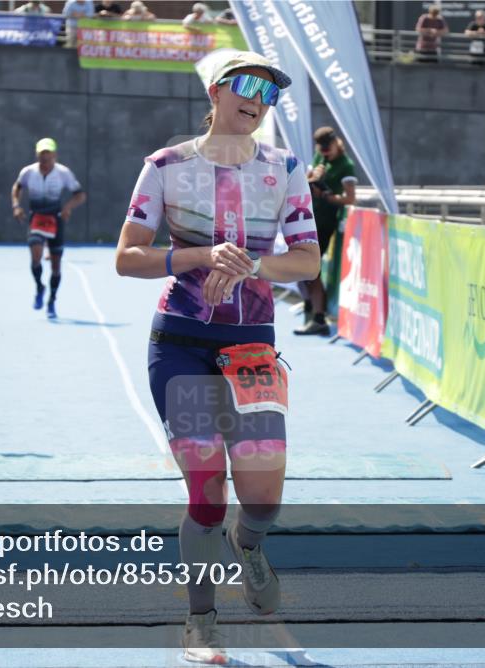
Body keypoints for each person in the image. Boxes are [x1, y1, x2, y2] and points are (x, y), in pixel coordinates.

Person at [115, 51, 319, 664]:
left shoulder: (285, 167)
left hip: (252, 345)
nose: (258, 98)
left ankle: (249, 546)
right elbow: (128, 258)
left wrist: (254, 263)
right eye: (247, 84)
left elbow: (308, 262)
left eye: (271, 91)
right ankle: (200, 619)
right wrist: (201, 257)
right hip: (180, 343)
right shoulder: (165, 165)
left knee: (263, 500)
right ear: (215, 91)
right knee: (206, 493)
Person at [11, 138, 86, 319]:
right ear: (37, 154)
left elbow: (80, 194)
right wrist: (16, 205)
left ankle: (52, 299)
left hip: (55, 218)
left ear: (54, 155)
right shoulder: (28, 172)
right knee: (36, 254)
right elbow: (17, 187)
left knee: (55, 265)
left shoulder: (63, 173)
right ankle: (39, 287)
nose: (45, 157)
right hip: (36, 217)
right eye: (42, 153)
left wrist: (67, 207)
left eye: (48, 154)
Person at [295, 126, 356, 336]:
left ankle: (318, 317)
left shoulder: (345, 165)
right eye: (321, 149)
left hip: (325, 222)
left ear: (335, 143)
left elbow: (350, 198)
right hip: (308, 218)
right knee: (302, 269)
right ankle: (311, 310)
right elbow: (304, 181)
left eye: (327, 148)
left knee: (311, 269)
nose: (324, 153)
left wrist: (326, 196)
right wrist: (313, 178)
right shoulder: (320, 156)